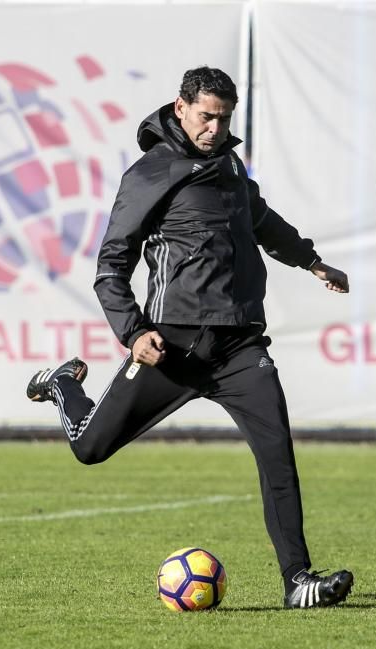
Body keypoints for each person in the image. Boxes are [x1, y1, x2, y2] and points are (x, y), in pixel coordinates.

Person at [26, 66, 353, 610]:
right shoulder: (151, 174)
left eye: (224, 118)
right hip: (172, 346)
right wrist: (133, 332)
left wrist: (312, 262)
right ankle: (64, 386)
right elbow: (111, 266)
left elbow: (262, 219)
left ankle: (298, 581)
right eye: (206, 117)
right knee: (90, 448)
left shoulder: (228, 162)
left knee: (278, 456)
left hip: (240, 348)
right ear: (180, 108)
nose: (215, 129)